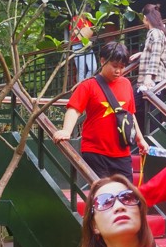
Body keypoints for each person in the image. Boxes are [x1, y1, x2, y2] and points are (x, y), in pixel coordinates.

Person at [54, 42, 149, 181]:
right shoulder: (88, 85)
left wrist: (140, 140)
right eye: (114, 66)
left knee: (126, 197)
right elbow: (74, 109)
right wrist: (66, 131)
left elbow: (130, 115)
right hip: (95, 151)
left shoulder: (126, 84)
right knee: (103, 196)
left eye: (122, 67)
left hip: (122, 152)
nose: (118, 71)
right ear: (103, 61)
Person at [131, 3, 166, 129]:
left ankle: (153, 142)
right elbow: (154, 51)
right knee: (140, 107)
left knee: (150, 114)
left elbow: (155, 55)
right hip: (152, 80)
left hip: (155, 79)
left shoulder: (155, 33)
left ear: (145, 18)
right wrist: (142, 53)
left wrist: (148, 77)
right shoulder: (156, 33)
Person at [69, 11, 96, 85]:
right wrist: (81, 32)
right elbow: (72, 33)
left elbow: (90, 34)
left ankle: (85, 84)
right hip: (77, 45)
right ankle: (81, 87)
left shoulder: (88, 22)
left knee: (93, 68)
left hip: (87, 45)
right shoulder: (75, 19)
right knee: (81, 69)